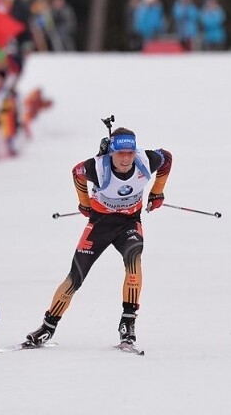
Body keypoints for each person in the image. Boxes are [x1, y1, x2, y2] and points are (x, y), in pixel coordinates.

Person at [26, 127, 172, 349]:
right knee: (75, 277)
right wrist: (84, 203)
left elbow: (167, 159)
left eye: (130, 153)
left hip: (129, 224)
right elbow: (77, 172)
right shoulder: (98, 167)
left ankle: (128, 325)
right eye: (120, 153)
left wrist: (157, 192)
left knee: (134, 264)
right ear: (111, 153)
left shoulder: (146, 160)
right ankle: (47, 327)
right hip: (99, 225)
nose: (125, 159)